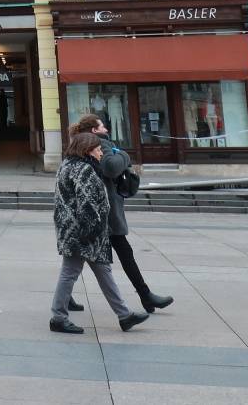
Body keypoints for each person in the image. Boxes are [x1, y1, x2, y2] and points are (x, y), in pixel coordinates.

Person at [73, 113, 174, 313]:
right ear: (94, 130)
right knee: (122, 254)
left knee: (77, 257)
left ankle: (65, 297)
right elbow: (111, 168)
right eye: (102, 126)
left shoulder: (78, 145)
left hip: (91, 208)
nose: (106, 129)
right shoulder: (101, 143)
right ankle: (145, 297)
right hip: (107, 210)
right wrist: (126, 155)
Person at [50, 132, 149, 335]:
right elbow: (87, 204)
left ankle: (124, 315)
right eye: (97, 149)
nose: (100, 152)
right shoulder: (83, 169)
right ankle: (58, 317)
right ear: (87, 150)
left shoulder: (68, 165)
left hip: (75, 231)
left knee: (103, 271)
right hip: (84, 233)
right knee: (70, 273)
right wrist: (92, 232)